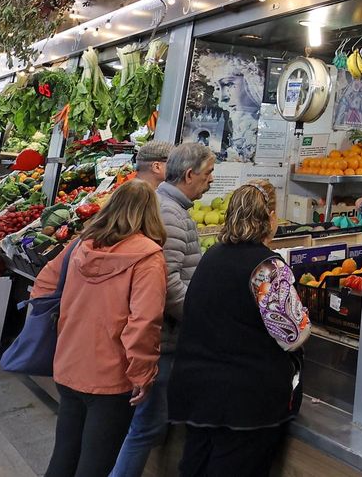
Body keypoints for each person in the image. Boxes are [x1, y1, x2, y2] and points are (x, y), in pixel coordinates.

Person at [169, 183, 310, 476]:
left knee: (195, 467)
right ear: (270, 217)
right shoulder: (268, 267)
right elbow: (293, 335)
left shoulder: (212, 256)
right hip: (245, 400)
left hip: (196, 389)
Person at [32, 181, 167, 477]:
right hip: (111, 376)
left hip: (69, 364)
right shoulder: (148, 256)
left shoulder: (82, 244)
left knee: (64, 456)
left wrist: (65, 321)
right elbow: (143, 322)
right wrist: (142, 374)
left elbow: (42, 285)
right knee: (96, 463)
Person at [109, 141, 213, 477]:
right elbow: (165, 284)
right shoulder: (170, 212)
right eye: (208, 173)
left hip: (164, 337)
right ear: (188, 174)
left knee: (145, 426)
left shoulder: (169, 206)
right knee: (146, 428)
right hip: (165, 338)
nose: (210, 180)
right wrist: (196, 316)